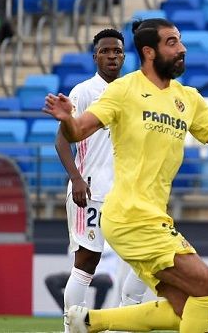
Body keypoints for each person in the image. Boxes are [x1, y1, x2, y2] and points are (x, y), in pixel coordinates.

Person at [44, 18, 208, 333]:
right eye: (172, 43)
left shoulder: (187, 99)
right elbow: (78, 130)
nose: (182, 49)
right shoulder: (124, 89)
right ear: (149, 52)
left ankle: (89, 321)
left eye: (180, 41)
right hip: (129, 216)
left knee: (185, 307)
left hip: (153, 218)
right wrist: (67, 119)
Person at [54, 28, 147, 332]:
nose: (112, 56)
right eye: (105, 51)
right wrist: (77, 179)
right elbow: (61, 141)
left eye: (117, 51)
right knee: (86, 264)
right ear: (94, 56)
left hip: (124, 194)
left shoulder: (133, 92)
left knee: (146, 257)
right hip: (90, 191)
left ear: (124, 56)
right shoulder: (83, 92)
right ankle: (71, 328)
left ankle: (122, 323)